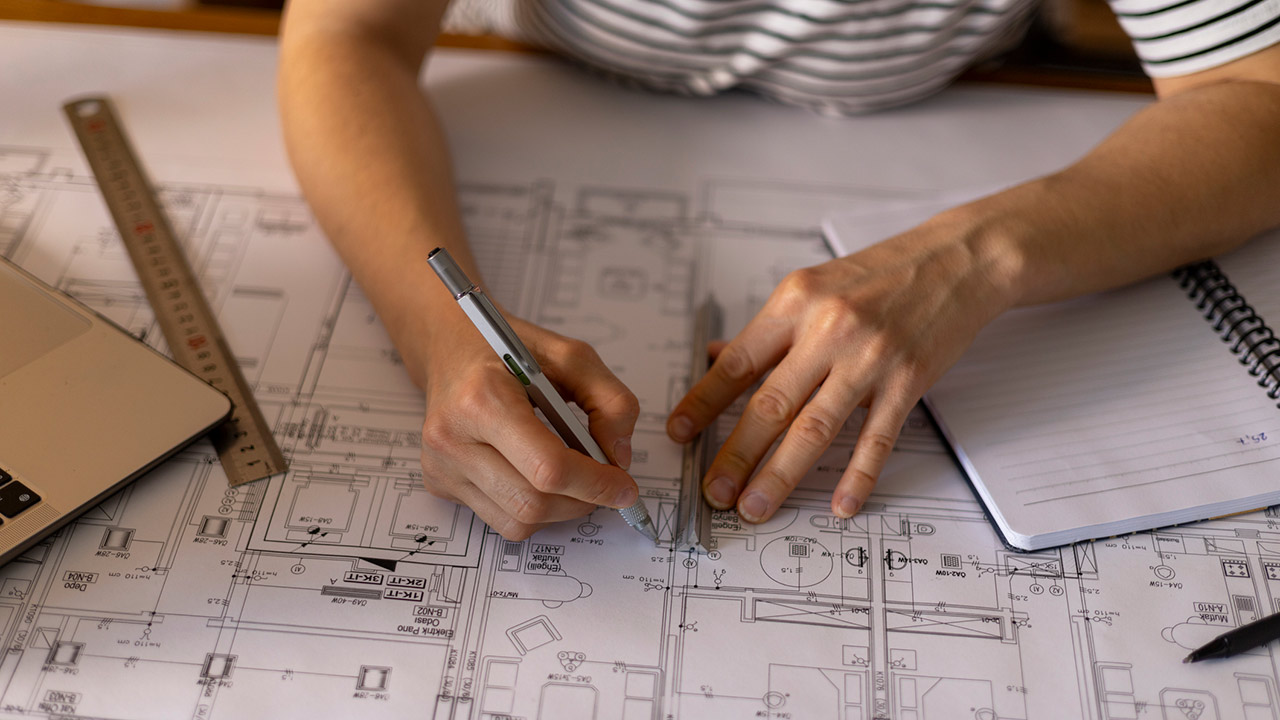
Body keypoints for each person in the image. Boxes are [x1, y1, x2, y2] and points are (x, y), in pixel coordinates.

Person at [277, 0, 1280, 540]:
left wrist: (972, 257)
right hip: (550, 102)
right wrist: (439, 330)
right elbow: (346, 31)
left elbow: (1258, 91)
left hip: (937, 128)